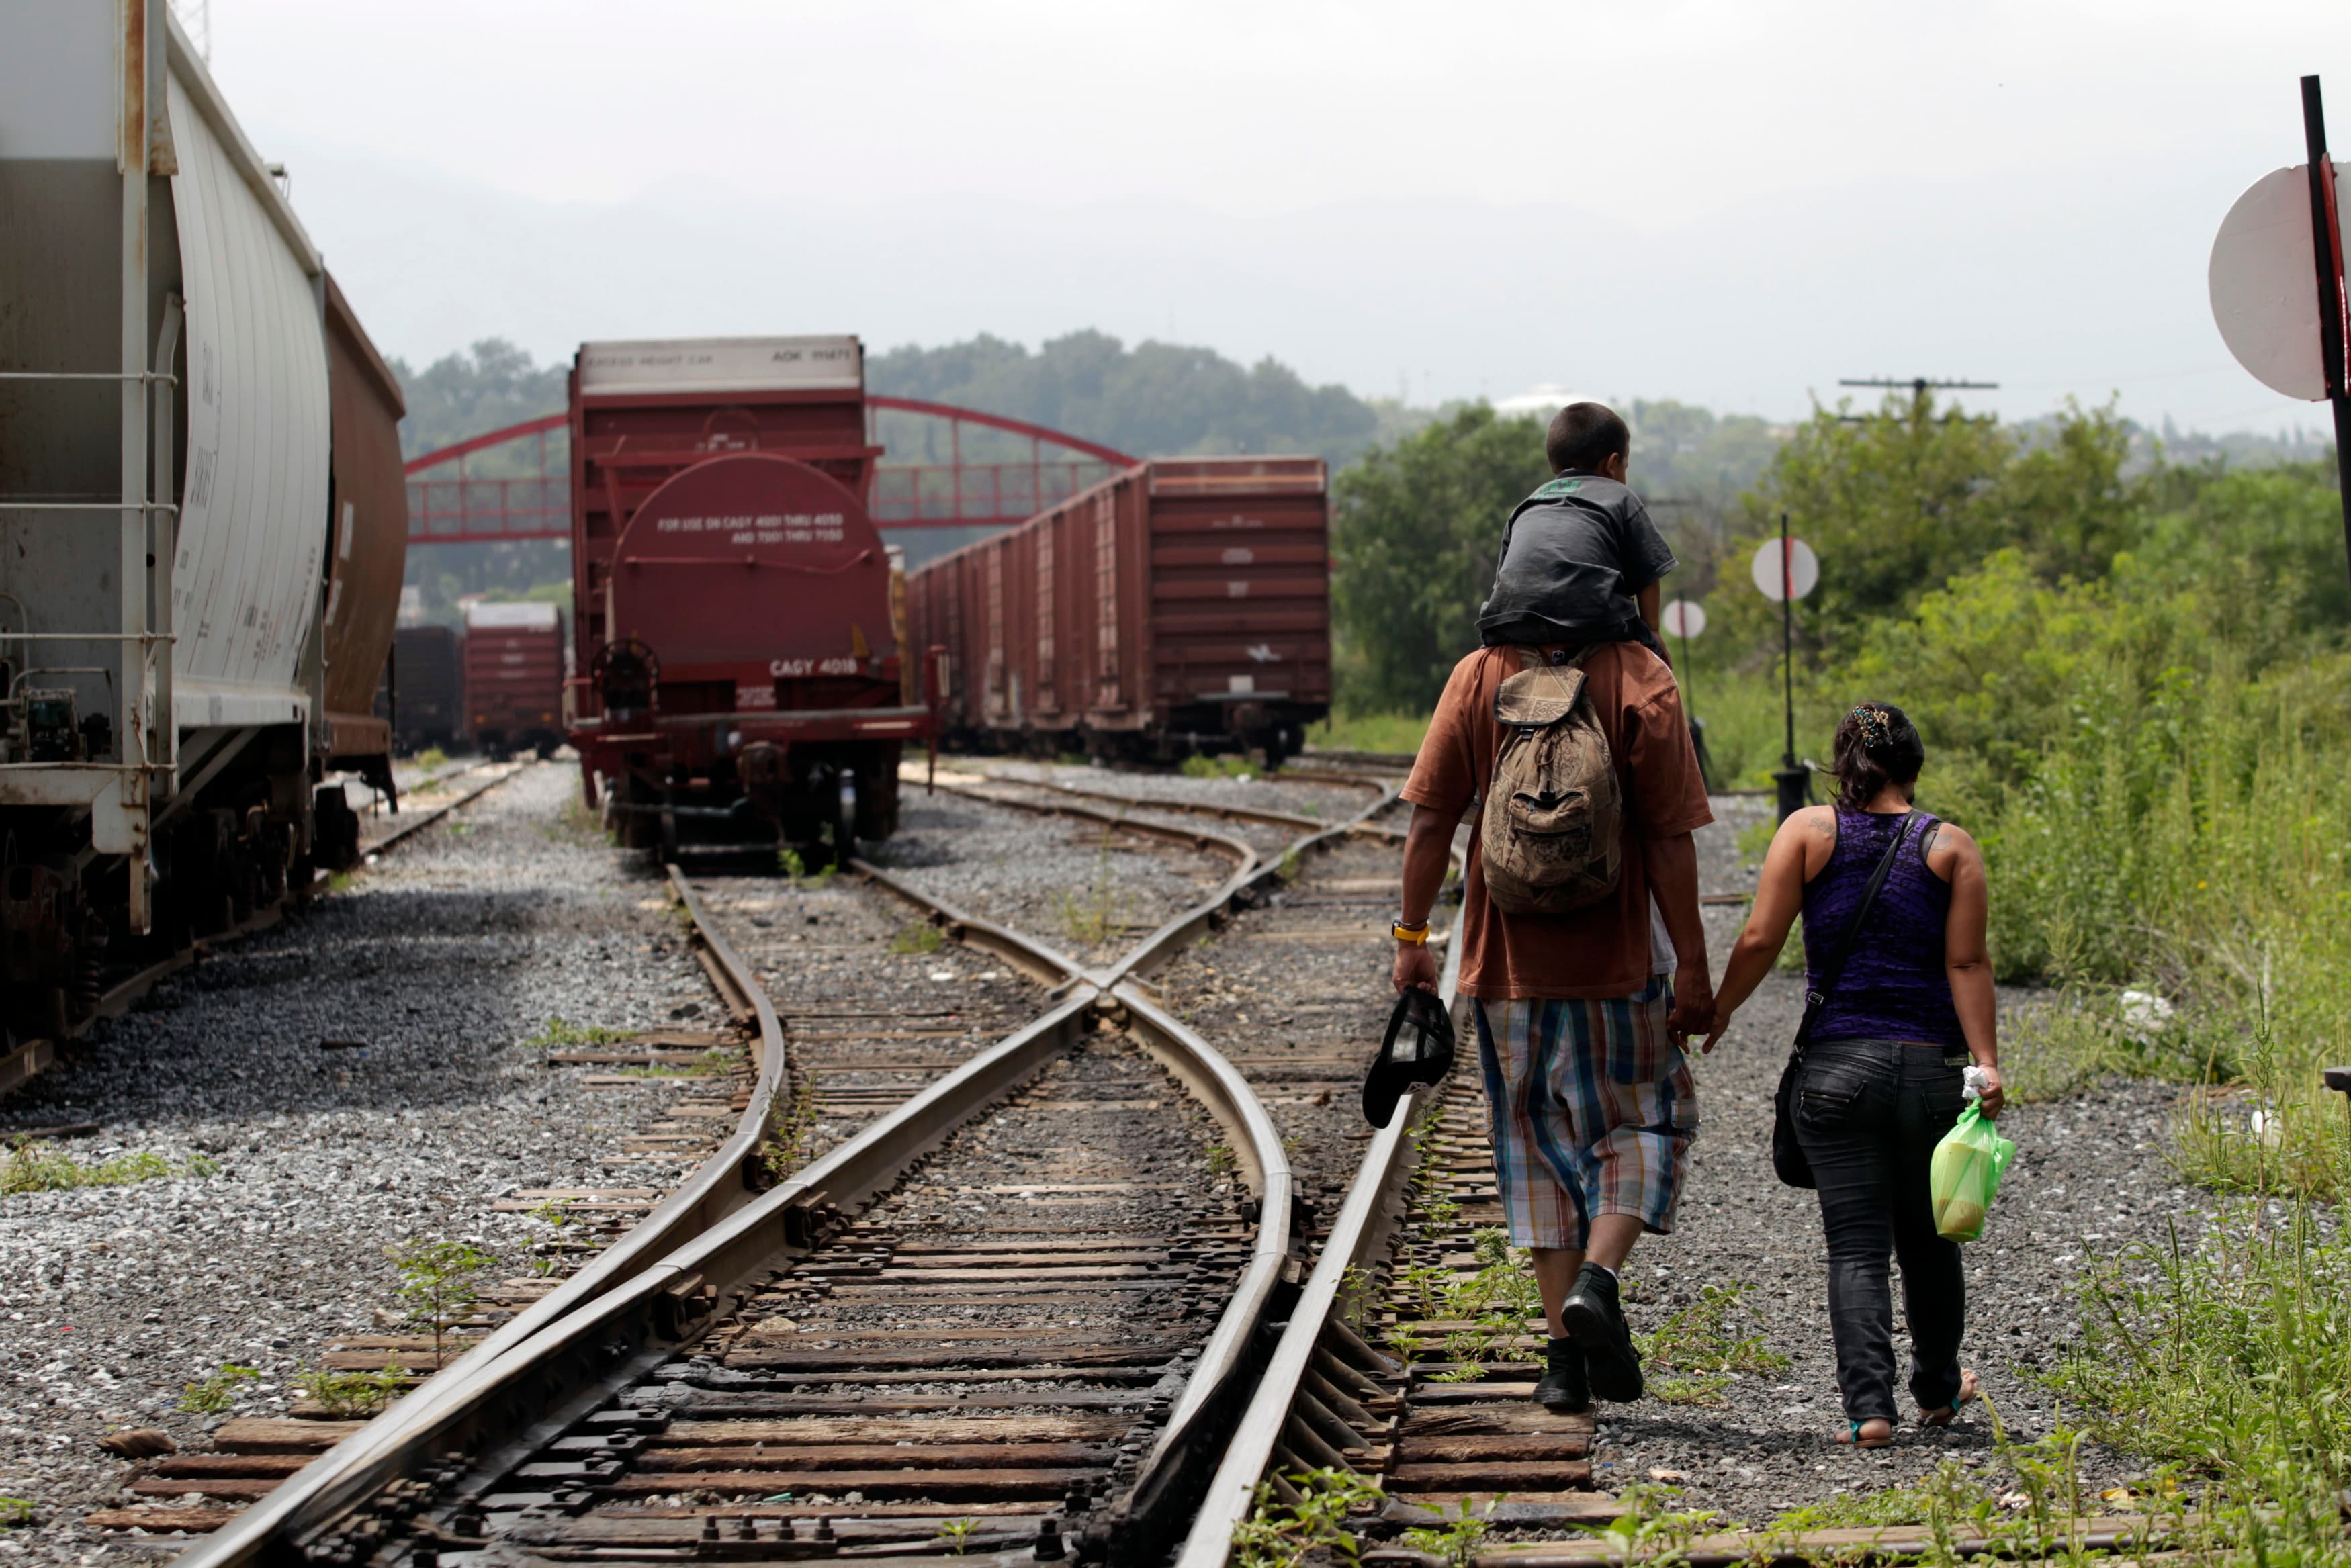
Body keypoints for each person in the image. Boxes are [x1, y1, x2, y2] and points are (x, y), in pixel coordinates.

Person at [1393, 631, 1714, 1414]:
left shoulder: (1476, 675)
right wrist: (1697, 969)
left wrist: (1411, 943)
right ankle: (1597, 1282)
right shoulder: (1640, 676)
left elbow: (1430, 823)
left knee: (1534, 1145)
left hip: (1506, 970)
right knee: (1645, 1122)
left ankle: (1563, 1362)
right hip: (1623, 965)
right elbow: (1670, 842)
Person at [1703, 702, 2004, 1448]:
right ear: (1913, 765)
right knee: (1931, 1243)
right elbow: (1965, 962)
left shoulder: (1806, 832)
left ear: (1844, 765)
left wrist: (1718, 1011)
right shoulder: (1949, 846)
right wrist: (1987, 1063)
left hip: (1836, 1074)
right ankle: (1937, 1389)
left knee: (1856, 1247)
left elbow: (1759, 936)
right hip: (1933, 1073)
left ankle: (1868, 1411)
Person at [1478, 402, 1678, 665]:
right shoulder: (1620, 496)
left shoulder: (1528, 504)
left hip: (1510, 620)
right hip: (1592, 618)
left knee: (1474, 674)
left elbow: (1503, 580)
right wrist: (1652, 631)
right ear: (1612, 464)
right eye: (1625, 467)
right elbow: (1649, 573)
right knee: (1660, 683)